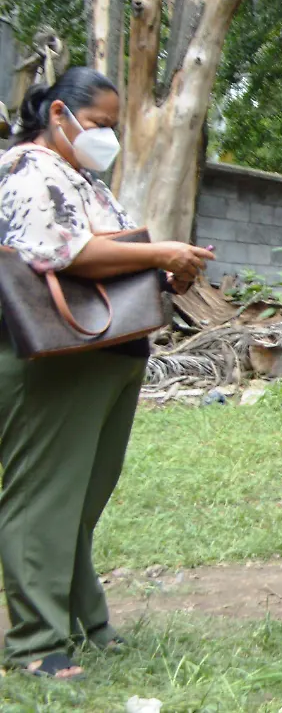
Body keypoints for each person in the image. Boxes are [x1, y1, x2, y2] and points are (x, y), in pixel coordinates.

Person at [0, 68, 214, 681]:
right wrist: (159, 253)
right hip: (55, 359)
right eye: (99, 125)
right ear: (59, 113)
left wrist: (169, 271)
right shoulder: (27, 168)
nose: (108, 138)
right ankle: (35, 643)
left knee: (80, 503)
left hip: (105, 354)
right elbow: (56, 253)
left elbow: (110, 253)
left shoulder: (80, 177)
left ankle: (85, 622)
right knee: (45, 501)